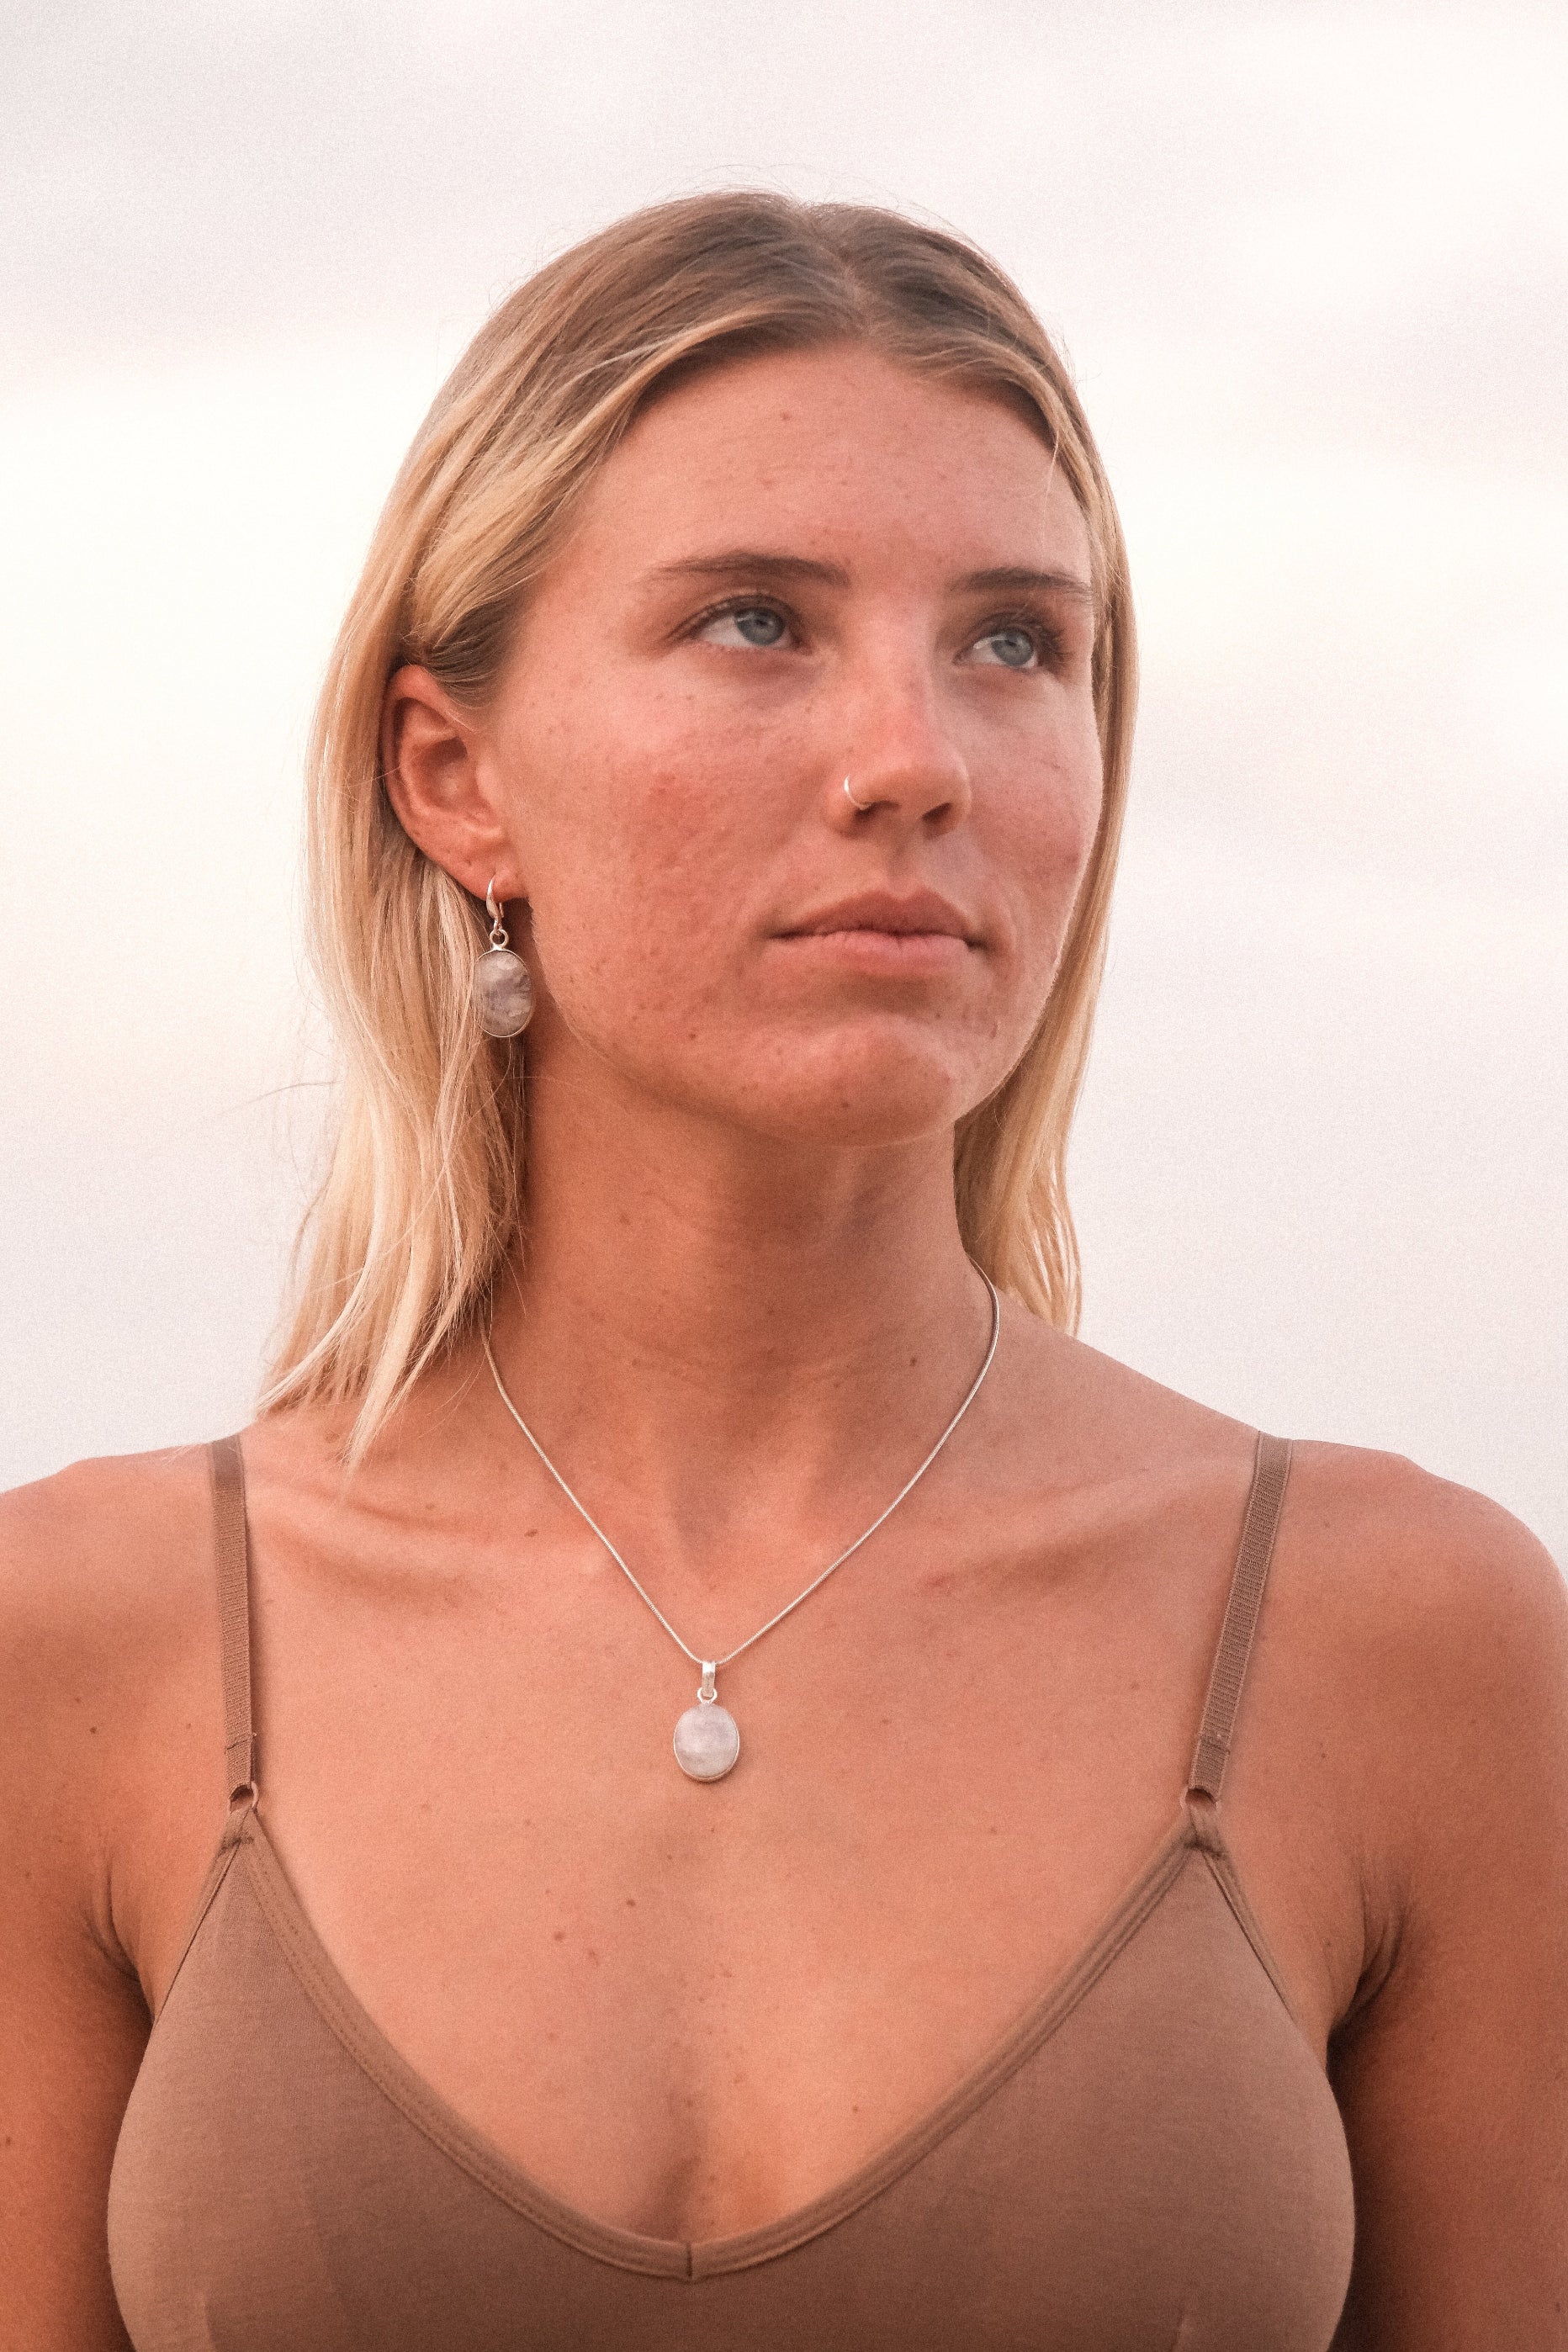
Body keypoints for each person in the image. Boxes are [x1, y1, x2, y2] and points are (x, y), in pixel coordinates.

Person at [3, 192, 1564, 2352]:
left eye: (1016, 641)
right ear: (453, 774)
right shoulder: (86, 1646)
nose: (912, 758)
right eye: (756, 622)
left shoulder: (1404, 1645)